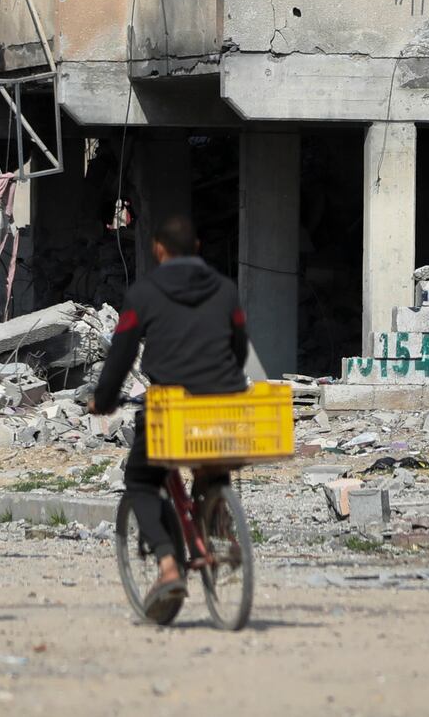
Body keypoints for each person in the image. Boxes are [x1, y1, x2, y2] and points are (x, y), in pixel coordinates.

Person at [89, 213, 251, 622]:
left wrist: (104, 400)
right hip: (223, 404)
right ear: (196, 248)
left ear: (159, 249)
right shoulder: (227, 290)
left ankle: (167, 565)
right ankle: (218, 521)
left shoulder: (144, 293)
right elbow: (239, 346)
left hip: (171, 406)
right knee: (212, 461)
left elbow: (122, 353)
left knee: (141, 479)